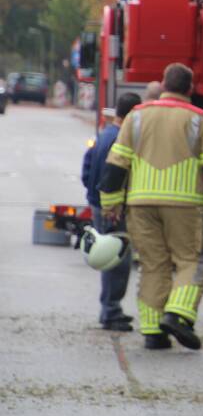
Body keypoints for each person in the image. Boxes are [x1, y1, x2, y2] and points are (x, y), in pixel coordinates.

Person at [99, 63, 203, 350]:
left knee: (152, 265)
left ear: (163, 84)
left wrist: (111, 204)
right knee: (192, 260)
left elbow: (116, 163)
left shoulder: (136, 116)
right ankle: (177, 315)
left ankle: (153, 332)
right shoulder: (201, 119)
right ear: (190, 88)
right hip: (185, 204)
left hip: (140, 203)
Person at [81, 92, 142, 331]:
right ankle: (111, 311)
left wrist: (94, 198)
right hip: (112, 208)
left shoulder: (103, 135)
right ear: (133, 114)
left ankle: (110, 308)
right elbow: (115, 175)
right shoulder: (121, 140)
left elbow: (87, 170)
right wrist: (112, 204)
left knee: (112, 259)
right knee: (117, 261)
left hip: (99, 203)